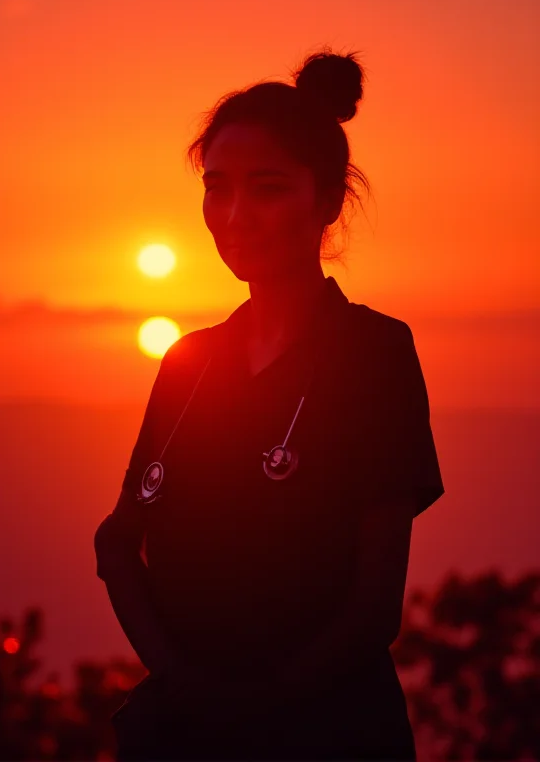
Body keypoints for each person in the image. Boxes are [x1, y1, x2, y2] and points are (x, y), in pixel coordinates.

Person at [93, 46, 445, 761]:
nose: (234, 215)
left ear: (328, 201)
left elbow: (375, 607)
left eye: (268, 188)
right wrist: (185, 684)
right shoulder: (186, 362)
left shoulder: (373, 353)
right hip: (186, 738)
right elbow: (116, 543)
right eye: (216, 188)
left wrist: (252, 708)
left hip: (329, 735)